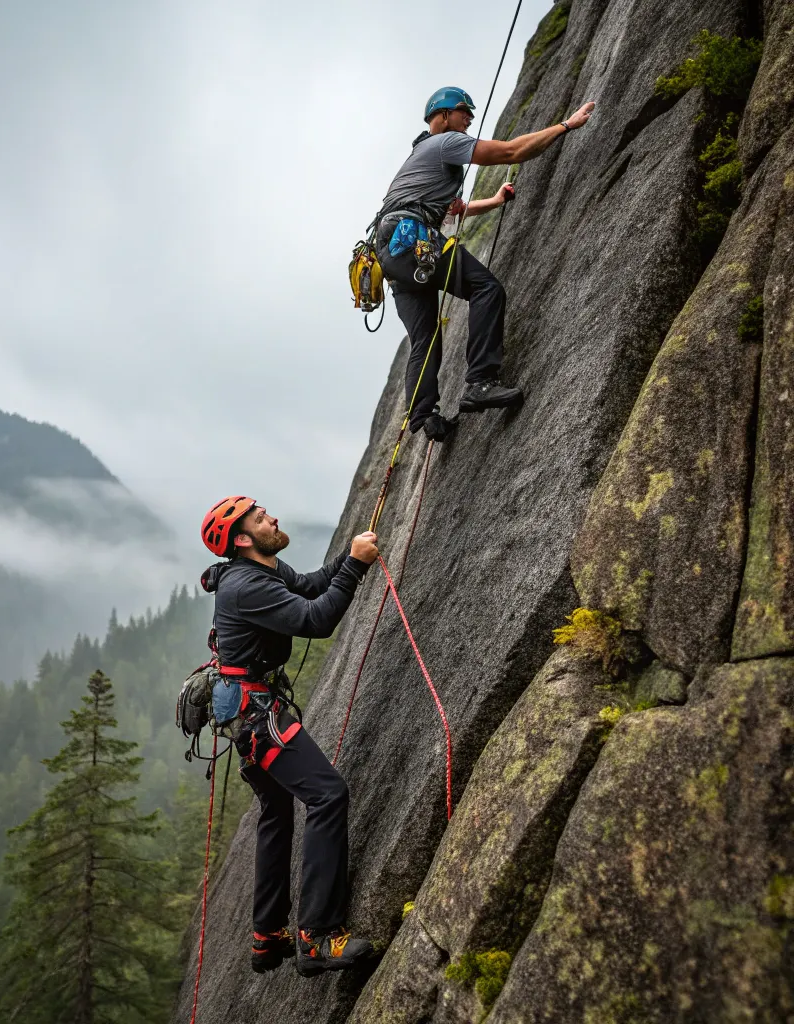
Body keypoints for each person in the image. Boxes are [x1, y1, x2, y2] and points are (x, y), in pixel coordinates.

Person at [199, 495, 380, 977]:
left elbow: (310, 586)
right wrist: (357, 570)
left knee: (277, 811)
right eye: (260, 518)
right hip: (257, 714)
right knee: (327, 795)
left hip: (247, 707)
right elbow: (315, 621)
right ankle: (317, 937)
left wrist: (349, 556)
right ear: (241, 539)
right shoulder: (244, 586)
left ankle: (267, 936)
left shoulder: (265, 568)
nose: (272, 517)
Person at [375, 86, 596, 440]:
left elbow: (457, 210)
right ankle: (480, 382)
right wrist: (565, 126)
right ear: (444, 115)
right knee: (486, 288)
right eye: (464, 112)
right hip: (412, 238)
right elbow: (511, 151)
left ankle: (423, 417)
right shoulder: (446, 143)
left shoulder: (421, 161)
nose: (470, 119)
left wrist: (494, 200)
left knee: (425, 337)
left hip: (390, 253)